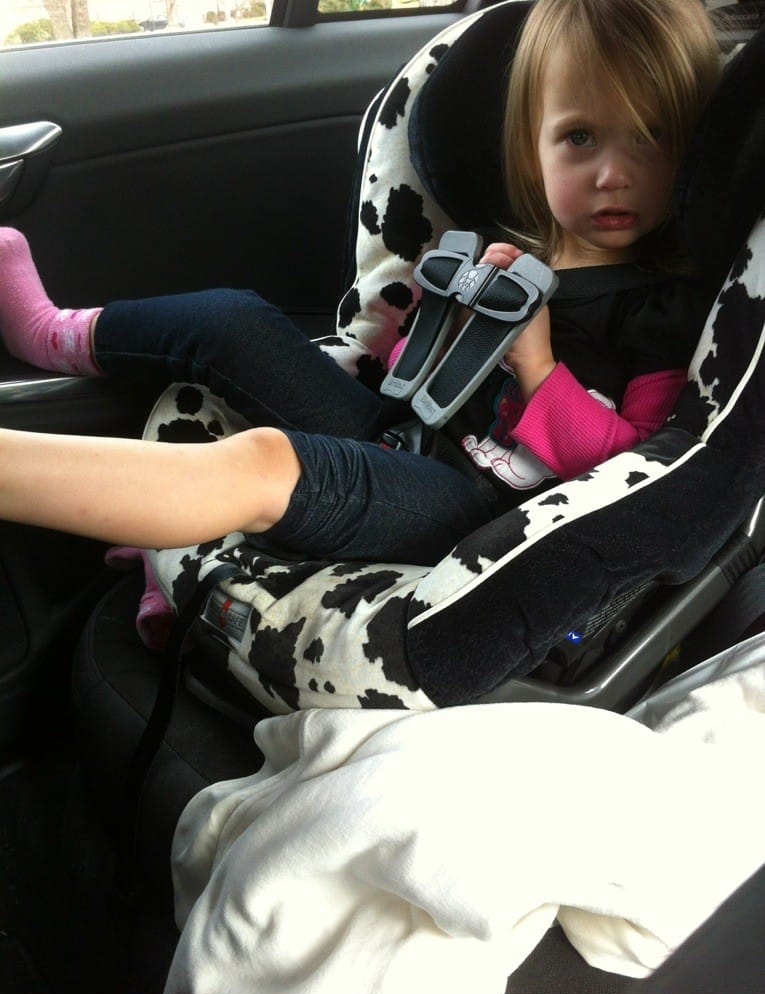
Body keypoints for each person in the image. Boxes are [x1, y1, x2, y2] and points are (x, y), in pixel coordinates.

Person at [0, 0, 721, 582]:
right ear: (533, 150)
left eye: (648, 136)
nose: (612, 174)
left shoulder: (661, 311)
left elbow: (630, 476)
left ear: (692, 153)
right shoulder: (507, 257)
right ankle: (54, 333)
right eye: (580, 138)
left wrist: (536, 367)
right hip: (396, 435)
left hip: (476, 514)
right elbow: (405, 373)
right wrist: (450, 321)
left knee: (267, 463)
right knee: (235, 319)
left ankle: (167, 514)